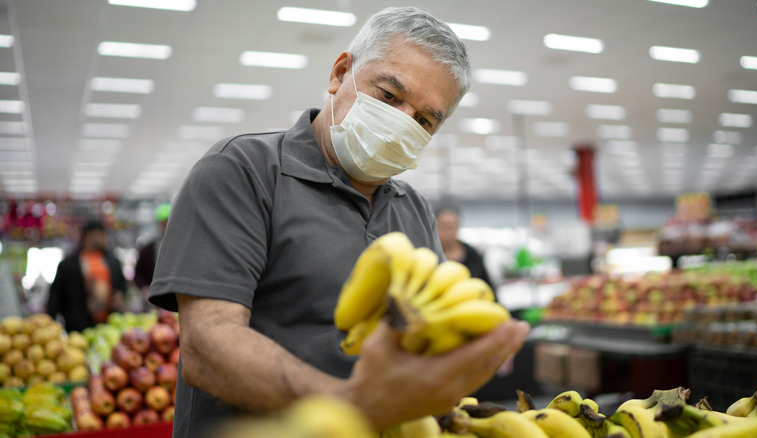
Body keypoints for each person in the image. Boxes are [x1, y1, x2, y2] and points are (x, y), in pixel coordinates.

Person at [148, 7, 529, 437]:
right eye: (388, 96)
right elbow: (208, 346)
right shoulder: (241, 171)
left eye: (424, 120)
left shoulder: (416, 211)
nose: (400, 125)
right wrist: (351, 406)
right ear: (340, 73)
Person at [47, 219, 127, 332]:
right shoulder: (69, 264)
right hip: (78, 328)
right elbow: (55, 297)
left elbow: (122, 284)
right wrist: (52, 324)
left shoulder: (112, 261)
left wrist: (120, 295)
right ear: (89, 235)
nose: (105, 238)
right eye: (102, 234)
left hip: (109, 327)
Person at [436, 205, 495, 290]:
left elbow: (487, 287)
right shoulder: (429, 257)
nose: (448, 232)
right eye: (443, 226)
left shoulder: (473, 256)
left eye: (451, 227)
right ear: (435, 227)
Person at [133, 203, 171, 308]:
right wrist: (144, 287)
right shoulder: (148, 249)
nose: (166, 225)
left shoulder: (182, 247)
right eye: (163, 222)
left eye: (169, 221)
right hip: (154, 301)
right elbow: (137, 274)